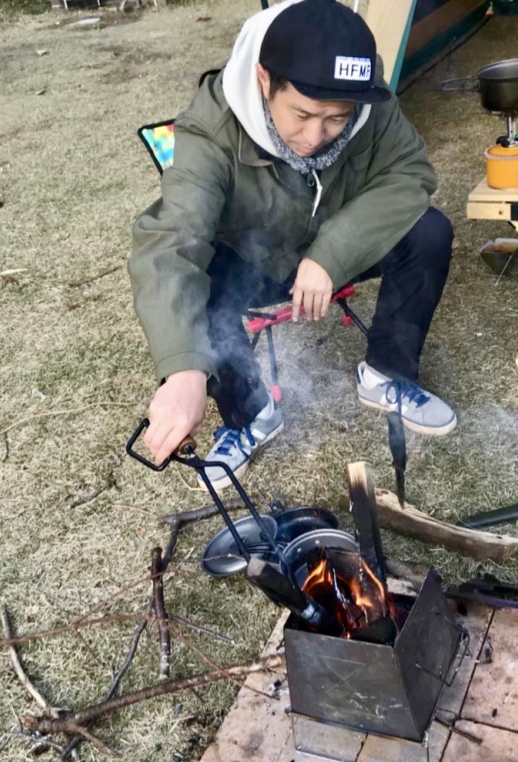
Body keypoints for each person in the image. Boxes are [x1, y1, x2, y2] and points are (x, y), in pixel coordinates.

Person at [129, 0, 455, 491]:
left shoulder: (367, 98)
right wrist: (184, 370)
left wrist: (330, 254)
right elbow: (172, 240)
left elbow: (409, 175)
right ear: (265, 80)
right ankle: (250, 415)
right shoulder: (211, 128)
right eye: (301, 114)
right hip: (252, 262)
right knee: (204, 277)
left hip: (331, 256)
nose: (315, 136)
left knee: (429, 231)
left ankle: (386, 374)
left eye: (337, 119)